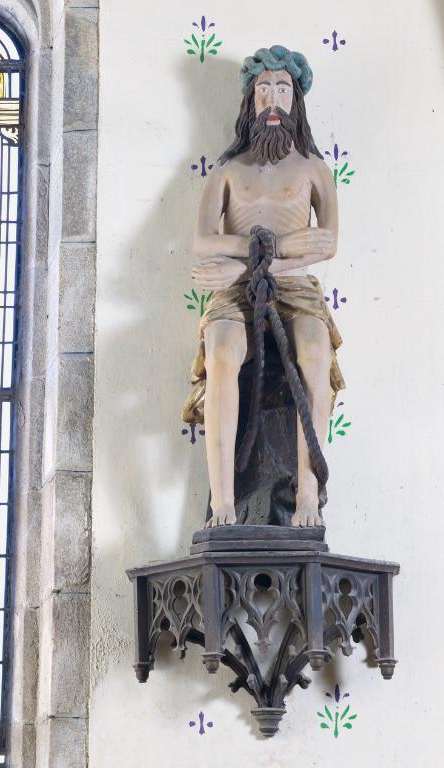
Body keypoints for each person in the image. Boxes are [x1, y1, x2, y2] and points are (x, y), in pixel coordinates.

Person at [182, 46, 345, 528]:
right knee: (222, 351)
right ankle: (223, 504)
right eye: (263, 89)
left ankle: (308, 499)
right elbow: (200, 241)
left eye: (282, 88)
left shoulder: (316, 171)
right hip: (236, 291)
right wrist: (269, 255)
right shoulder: (227, 173)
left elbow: (328, 242)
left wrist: (256, 260)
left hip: (294, 288)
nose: (272, 98)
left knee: (315, 352)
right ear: (250, 100)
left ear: (296, 100)